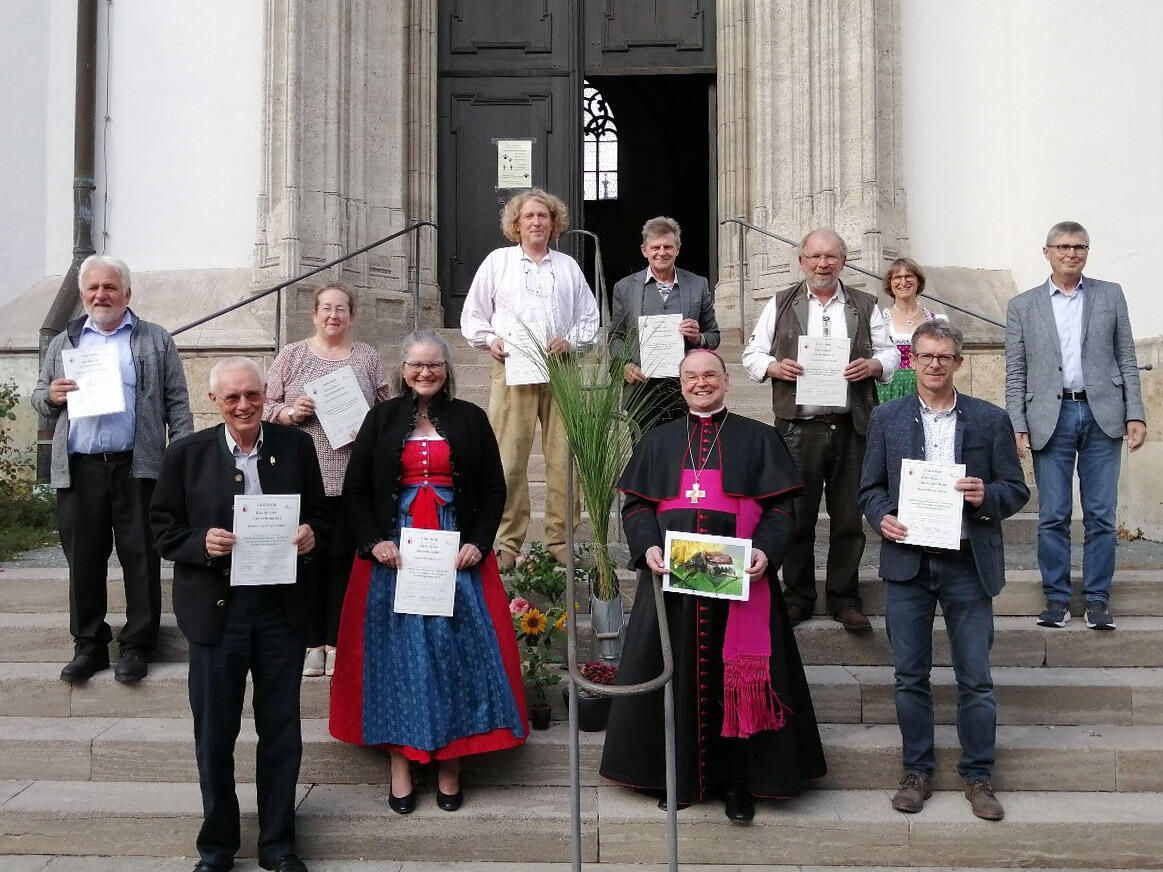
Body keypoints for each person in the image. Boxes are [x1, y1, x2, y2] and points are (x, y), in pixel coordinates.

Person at [600, 349, 826, 822]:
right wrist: (648, 548)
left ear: (727, 381)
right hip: (672, 584)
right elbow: (636, 508)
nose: (700, 383)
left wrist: (766, 550)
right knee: (674, 674)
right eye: (691, 377)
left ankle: (738, 782)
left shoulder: (760, 438)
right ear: (680, 384)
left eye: (710, 375)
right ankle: (675, 777)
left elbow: (785, 508)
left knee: (732, 678)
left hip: (741, 581)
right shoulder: (658, 440)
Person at [329, 330, 527, 814]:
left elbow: (495, 489)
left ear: (447, 369)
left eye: (434, 365)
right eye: (416, 365)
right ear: (402, 370)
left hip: (454, 554)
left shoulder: (470, 418)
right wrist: (375, 542)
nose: (425, 373)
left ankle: (450, 764)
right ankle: (401, 764)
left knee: (452, 654)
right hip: (393, 557)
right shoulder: (380, 418)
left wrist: (479, 544)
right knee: (395, 659)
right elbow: (355, 492)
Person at [151, 357, 327, 872]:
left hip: (279, 613)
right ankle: (218, 847)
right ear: (214, 402)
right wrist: (199, 542)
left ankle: (277, 844)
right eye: (232, 398)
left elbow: (321, 514)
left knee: (280, 730)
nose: (244, 406)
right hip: (216, 615)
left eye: (252, 395)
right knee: (215, 734)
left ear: (265, 392)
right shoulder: (186, 454)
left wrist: (313, 535)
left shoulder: (295, 446)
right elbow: (162, 530)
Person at [859, 321, 1028, 821]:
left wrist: (986, 497)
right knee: (911, 676)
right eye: (926, 355)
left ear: (958, 362)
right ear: (912, 362)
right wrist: (881, 516)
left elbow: (1015, 490)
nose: (934, 364)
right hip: (909, 564)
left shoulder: (990, 420)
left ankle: (978, 775)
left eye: (944, 356)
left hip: (966, 564)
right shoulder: (887, 418)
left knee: (975, 677)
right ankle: (917, 770)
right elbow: (868, 488)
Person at [31, 254, 193, 684]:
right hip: (80, 469)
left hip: (136, 469)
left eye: (109, 287)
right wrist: (50, 396)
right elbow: (38, 396)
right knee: (83, 559)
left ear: (127, 294)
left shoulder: (154, 339)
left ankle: (138, 644)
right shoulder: (65, 342)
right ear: (83, 294)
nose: (100, 295)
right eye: (93, 288)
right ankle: (89, 644)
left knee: (142, 556)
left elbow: (177, 402)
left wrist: (181, 462)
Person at [741, 228, 899, 631]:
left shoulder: (866, 305)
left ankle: (844, 598)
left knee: (849, 518)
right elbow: (752, 354)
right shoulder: (781, 303)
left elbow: (890, 352)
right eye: (814, 257)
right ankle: (798, 597)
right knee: (797, 517)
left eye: (830, 257)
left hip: (851, 425)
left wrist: (874, 366)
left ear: (843, 261)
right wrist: (775, 366)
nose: (822, 264)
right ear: (801, 261)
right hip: (799, 428)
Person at [1005, 221, 1147, 631]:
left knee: (1102, 514)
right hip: (1051, 416)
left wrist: (1134, 412)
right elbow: (1017, 370)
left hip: (1103, 413)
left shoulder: (1109, 294)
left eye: (1079, 247)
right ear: (1046, 252)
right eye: (1063, 247)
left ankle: (1099, 598)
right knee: (1053, 514)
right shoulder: (1023, 305)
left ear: (1087, 251)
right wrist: (1017, 420)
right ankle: (1056, 598)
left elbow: (1126, 355)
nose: (1072, 253)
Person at [460, 187, 600, 568]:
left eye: (543, 216)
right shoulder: (498, 262)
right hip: (512, 368)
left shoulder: (568, 267)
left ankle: (561, 539)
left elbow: (590, 317)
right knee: (508, 458)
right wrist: (492, 340)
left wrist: (571, 341)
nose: (536, 222)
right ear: (516, 225)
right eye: (529, 217)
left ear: (554, 223)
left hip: (561, 371)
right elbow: (472, 317)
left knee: (563, 457)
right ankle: (507, 543)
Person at [263, 282, 391, 678]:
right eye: (326, 309)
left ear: (352, 316)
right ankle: (310, 643)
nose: (333, 315)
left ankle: (336, 642)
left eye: (341, 309)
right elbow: (262, 404)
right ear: (314, 315)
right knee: (306, 561)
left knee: (342, 561)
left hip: (353, 478)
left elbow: (388, 410)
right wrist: (289, 413)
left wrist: (369, 428)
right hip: (302, 476)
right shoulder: (292, 355)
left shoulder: (367, 357)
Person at [609, 215, 720, 428]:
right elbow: (616, 336)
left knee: (685, 453)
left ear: (677, 248)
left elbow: (713, 336)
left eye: (668, 246)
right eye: (655, 247)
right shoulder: (625, 288)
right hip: (641, 387)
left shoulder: (698, 285)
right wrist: (624, 365)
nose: (662, 252)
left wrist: (698, 338)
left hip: (686, 386)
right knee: (645, 452)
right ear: (644, 250)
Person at [878, 258, 948, 402]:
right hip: (890, 390)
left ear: (918, 281)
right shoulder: (879, 320)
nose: (903, 282)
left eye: (909, 276)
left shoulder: (938, 321)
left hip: (928, 387)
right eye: (897, 277)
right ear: (890, 283)